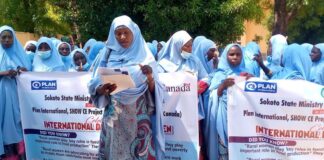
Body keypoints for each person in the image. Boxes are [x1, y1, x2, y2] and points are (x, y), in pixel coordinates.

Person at [88, 15, 165, 160]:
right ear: (113, 34)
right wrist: (101, 89)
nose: (122, 37)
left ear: (133, 32)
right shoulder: (107, 54)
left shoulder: (146, 57)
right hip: (114, 114)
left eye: (126, 32)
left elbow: (157, 92)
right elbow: (94, 83)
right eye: (118, 33)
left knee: (139, 151)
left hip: (138, 115)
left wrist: (149, 78)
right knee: (114, 150)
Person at [157, 30, 209, 160]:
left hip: (192, 109)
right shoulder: (162, 65)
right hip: (171, 111)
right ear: (177, 46)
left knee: (193, 143)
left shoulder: (194, 61)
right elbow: (158, 85)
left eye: (191, 45)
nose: (190, 49)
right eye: (187, 46)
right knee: (172, 140)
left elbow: (207, 78)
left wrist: (199, 86)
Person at [208, 43, 252, 159]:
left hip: (242, 117)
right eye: (231, 54)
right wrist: (223, 85)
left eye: (238, 54)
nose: (235, 57)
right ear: (225, 56)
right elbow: (211, 96)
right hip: (224, 117)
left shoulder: (247, 73)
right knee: (224, 147)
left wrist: (253, 81)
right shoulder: (220, 74)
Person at [0, 25, 31, 159]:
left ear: (14, 38)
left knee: (19, 122)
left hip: (19, 95)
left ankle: (20, 153)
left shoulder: (21, 55)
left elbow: (30, 75)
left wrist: (24, 72)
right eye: (3, 37)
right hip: (2, 95)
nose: (7, 40)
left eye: (9, 37)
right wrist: (3, 73)